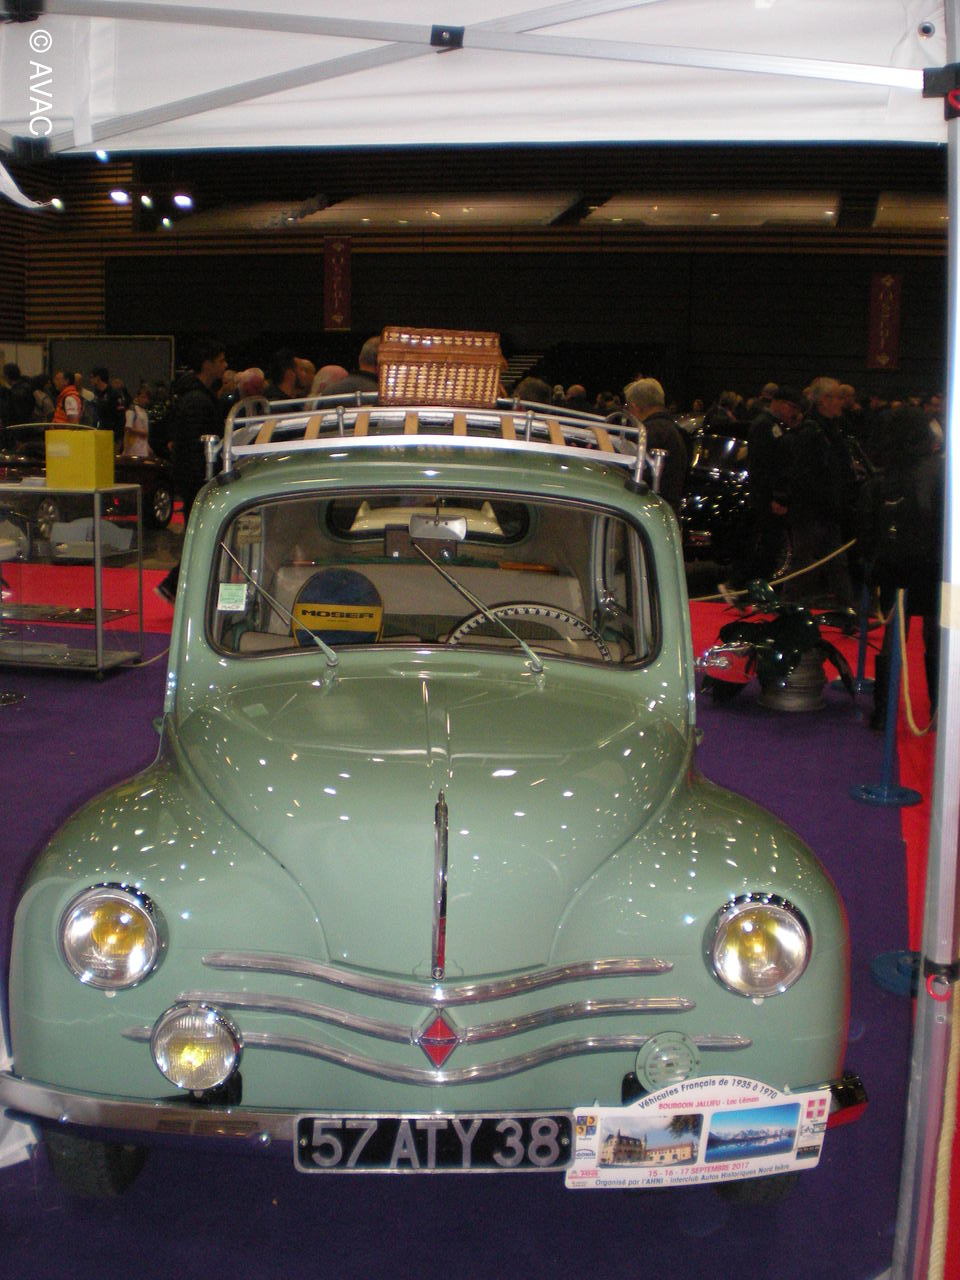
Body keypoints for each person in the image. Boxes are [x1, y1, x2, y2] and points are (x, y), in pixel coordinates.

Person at [856, 404, 944, 729]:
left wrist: (872, 567)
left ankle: (883, 714)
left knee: (893, 638)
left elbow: (865, 533)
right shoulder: (941, 471)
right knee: (937, 637)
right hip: (935, 570)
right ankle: (939, 710)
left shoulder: (883, 477)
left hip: (894, 568)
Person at [155, 339, 228, 604]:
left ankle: (178, 588)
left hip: (195, 479)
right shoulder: (197, 400)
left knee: (199, 537)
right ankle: (176, 587)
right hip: (198, 480)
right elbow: (193, 448)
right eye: (221, 360)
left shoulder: (194, 396)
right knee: (200, 537)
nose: (225, 365)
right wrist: (205, 482)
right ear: (207, 364)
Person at [719, 385, 805, 602]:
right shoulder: (766, 426)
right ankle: (739, 585)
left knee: (768, 547)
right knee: (766, 547)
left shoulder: (772, 425)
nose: (793, 413)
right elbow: (768, 465)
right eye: (791, 407)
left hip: (765, 494)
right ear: (780, 404)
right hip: (766, 496)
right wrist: (776, 496)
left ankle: (751, 591)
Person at [783, 375, 859, 608]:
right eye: (837, 397)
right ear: (824, 400)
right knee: (804, 562)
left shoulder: (831, 429)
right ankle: (787, 606)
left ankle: (847, 608)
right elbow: (802, 474)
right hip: (811, 511)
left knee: (836, 562)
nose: (841, 402)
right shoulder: (811, 432)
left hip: (828, 509)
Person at [623, 377, 688, 513]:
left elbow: (630, 478)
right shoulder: (675, 431)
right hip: (666, 511)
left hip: (649, 511)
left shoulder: (645, 435)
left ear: (634, 407)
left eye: (627, 406)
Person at [90, 366, 127, 443]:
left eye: (92, 377)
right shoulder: (95, 395)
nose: (90, 380)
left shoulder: (114, 394)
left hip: (112, 435)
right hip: (98, 434)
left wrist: (117, 438)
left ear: (98, 378)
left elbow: (121, 418)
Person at [122, 384, 153, 457]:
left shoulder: (144, 412)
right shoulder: (132, 410)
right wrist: (142, 433)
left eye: (147, 398)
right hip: (133, 449)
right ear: (137, 397)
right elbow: (128, 428)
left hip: (143, 449)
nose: (145, 400)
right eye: (143, 397)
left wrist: (148, 447)